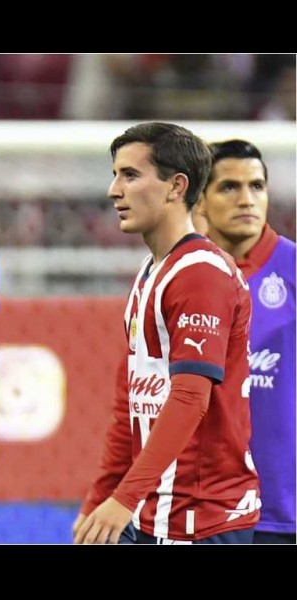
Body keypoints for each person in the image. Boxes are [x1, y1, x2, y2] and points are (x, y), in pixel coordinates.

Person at [73, 122, 260, 544]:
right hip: (155, 511)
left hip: (201, 518)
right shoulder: (151, 271)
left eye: (130, 175)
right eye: (115, 175)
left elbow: (190, 398)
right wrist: (102, 495)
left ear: (177, 186)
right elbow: (131, 400)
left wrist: (122, 498)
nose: (114, 190)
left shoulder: (201, 273)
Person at [194, 139, 295, 544]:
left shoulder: (291, 271)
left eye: (256, 186)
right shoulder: (184, 277)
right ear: (200, 201)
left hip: (284, 511)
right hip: (204, 509)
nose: (246, 199)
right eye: (229, 187)